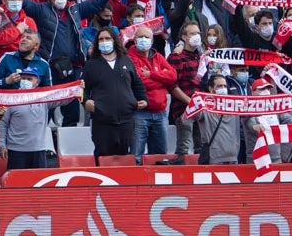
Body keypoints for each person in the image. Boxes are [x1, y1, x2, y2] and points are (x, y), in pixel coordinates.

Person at [82, 28, 146, 162]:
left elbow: (137, 84)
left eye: (107, 38)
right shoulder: (91, 65)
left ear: (114, 41)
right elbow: (82, 89)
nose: (104, 42)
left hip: (126, 119)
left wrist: (143, 100)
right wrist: (86, 101)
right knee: (102, 157)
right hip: (102, 120)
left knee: (123, 157)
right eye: (101, 39)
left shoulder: (127, 61)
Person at [127, 25, 177, 163]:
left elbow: (173, 76)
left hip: (161, 113)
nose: (144, 40)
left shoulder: (158, 56)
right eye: (140, 37)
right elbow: (140, 82)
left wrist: (152, 74)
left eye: (147, 37)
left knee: (160, 157)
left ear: (152, 40)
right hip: (139, 113)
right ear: (134, 39)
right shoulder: (129, 58)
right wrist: (162, 81)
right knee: (136, 156)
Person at [0, 63, 51, 171]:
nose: (25, 81)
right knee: (17, 185)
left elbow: (64, 98)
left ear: (37, 82)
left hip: (38, 149)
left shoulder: (44, 98)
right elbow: (2, 123)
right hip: (16, 150)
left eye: (29, 79)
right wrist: (2, 145)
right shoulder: (11, 98)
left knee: (37, 184)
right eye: (23, 78)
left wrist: (78, 88)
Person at [184, 73, 241, 164]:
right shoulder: (205, 108)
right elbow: (187, 119)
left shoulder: (234, 106)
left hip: (233, 159)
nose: (223, 89)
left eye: (225, 86)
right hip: (214, 159)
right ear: (211, 89)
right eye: (219, 86)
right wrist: (196, 102)